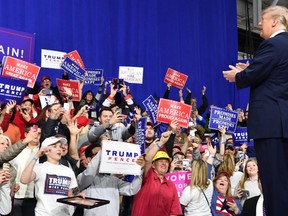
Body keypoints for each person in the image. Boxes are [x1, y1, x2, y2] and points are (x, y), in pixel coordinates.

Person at [223, 5, 288, 215]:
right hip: (282, 123)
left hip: (271, 127)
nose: (259, 22)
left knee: (273, 185)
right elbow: (273, 75)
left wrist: (238, 76)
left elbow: (254, 75)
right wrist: (250, 69)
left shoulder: (273, 44)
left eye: (263, 18)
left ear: (275, 21)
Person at [20, 136, 78, 216]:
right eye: (55, 146)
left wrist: (78, 198)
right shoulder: (40, 168)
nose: (59, 149)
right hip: (44, 213)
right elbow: (24, 180)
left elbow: (69, 195)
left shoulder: (68, 171)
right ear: (46, 151)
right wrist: (37, 156)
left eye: (60, 147)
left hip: (64, 214)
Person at [131, 131, 182, 216]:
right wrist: (161, 142)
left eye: (166, 162)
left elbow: (174, 212)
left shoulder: (171, 186)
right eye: (160, 161)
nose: (164, 163)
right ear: (153, 165)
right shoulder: (147, 176)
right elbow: (147, 159)